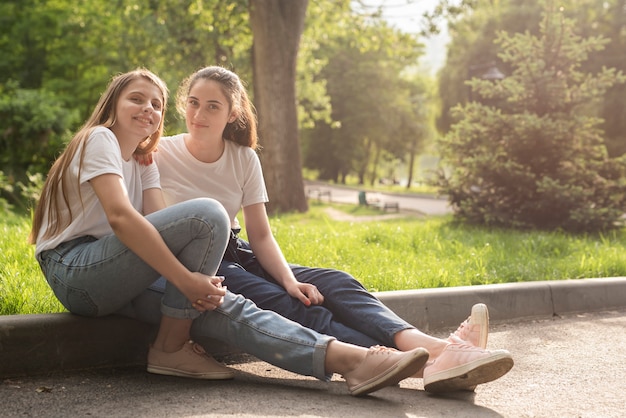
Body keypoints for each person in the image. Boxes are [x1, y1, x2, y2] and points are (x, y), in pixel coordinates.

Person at [29, 68, 433, 397]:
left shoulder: (143, 160)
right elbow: (121, 217)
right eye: (136, 98)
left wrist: (196, 286)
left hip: (120, 273)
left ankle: (352, 361)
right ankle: (172, 343)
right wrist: (185, 279)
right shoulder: (99, 138)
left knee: (225, 304)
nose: (148, 109)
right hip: (75, 267)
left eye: (156, 103)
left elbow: (159, 224)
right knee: (208, 216)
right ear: (112, 104)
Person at [142, 66, 514, 393]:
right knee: (297, 307)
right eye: (193, 102)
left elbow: (261, 235)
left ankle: (431, 347)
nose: (199, 114)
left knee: (335, 282)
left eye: (212, 106)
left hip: (239, 252)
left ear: (232, 112)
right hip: (205, 263)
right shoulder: (160, 153)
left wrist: (289, 278)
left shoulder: (244, 158)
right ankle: (430, 361)